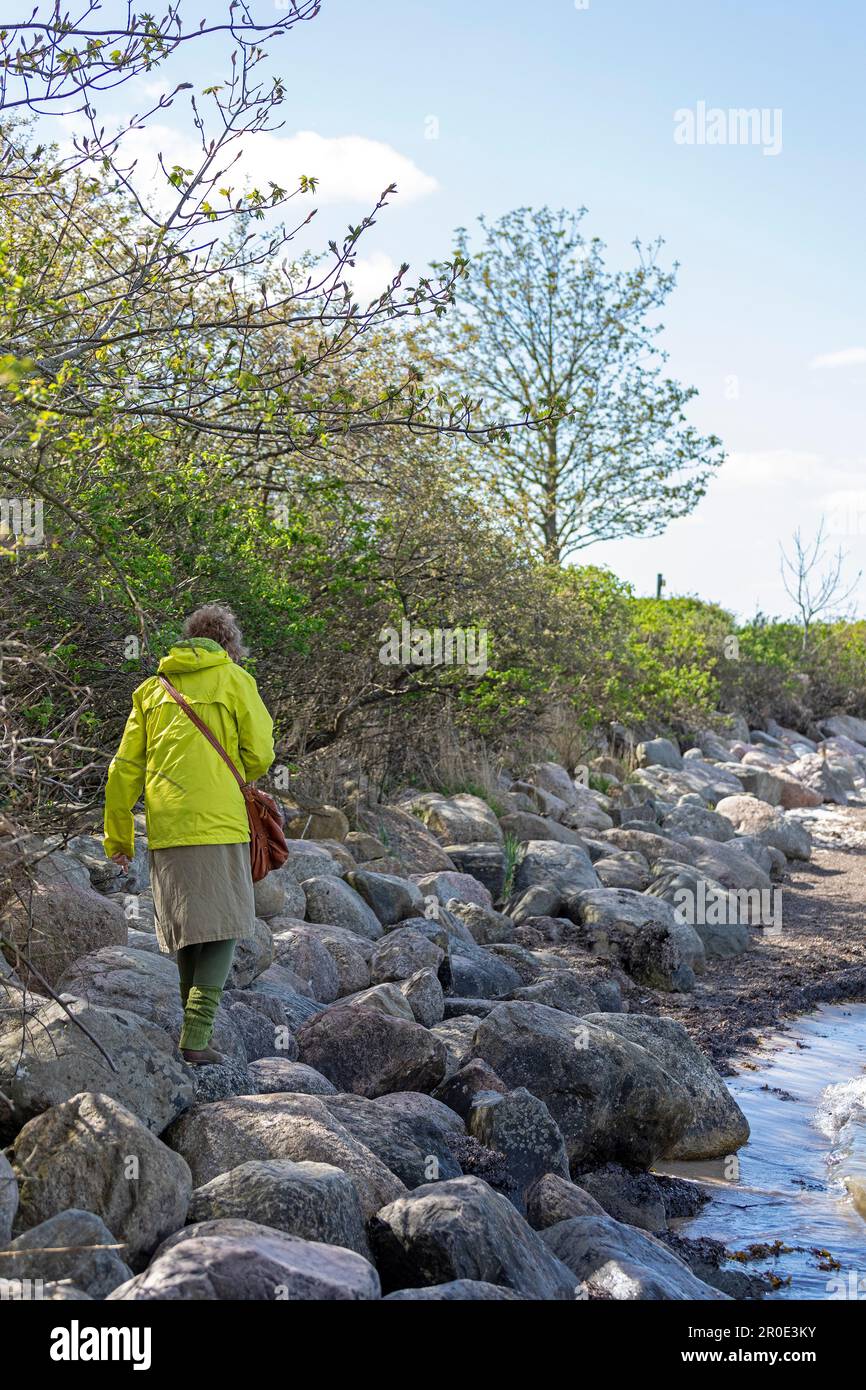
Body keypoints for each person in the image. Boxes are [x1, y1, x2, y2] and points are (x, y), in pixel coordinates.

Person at [103, 603, 274, 1064]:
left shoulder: (151, 690)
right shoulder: (236, 681)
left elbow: (124, 769)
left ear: (187, 639)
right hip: (220, 820)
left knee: (187, 928)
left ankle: (192, 1034)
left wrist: (119, 836)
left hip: (168, 824)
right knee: (223, 927)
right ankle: (196, 1037)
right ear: (229, 643)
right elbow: (259, 753)